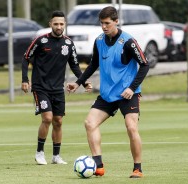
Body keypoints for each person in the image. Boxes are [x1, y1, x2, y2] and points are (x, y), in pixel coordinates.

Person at [67, 6, 149, 178]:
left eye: (107, 23)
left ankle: (137, 169)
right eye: (101, 23)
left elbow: (144, 64)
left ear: (116, 21)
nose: (104, 27)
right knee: (90, 123)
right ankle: (98, 167)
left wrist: (132, 88)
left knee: (131, 127)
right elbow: (93, 65)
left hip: (128, 94)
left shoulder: (128, 41)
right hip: (108, 94)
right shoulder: (99, 40)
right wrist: (78, 82)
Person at [22, 10, 91, 165]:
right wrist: (25, 79)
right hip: (40, 87)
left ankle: (56, 156)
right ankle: (39, 153)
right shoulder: (40, 41)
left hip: (58, 88)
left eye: (61, 24)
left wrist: (83, 81)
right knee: (47, 118)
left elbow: (75, 66)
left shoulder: (68, 43)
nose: (59, 26)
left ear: (64, 24)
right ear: (50, 24)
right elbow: (26, 58)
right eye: (56, 24)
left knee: (58, 121)